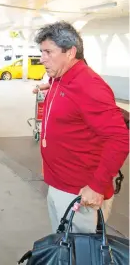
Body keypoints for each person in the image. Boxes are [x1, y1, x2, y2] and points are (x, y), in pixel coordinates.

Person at [34, 21, 128, 233]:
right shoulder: (60, 79)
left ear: (70, 52)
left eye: (48, 52)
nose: (42, 59)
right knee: (63, 250)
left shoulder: (88, 85)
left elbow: (119, 138)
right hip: (59, 184)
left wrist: (96, 186)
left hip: (80, 193)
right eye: (41, 52)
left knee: (80, 254)